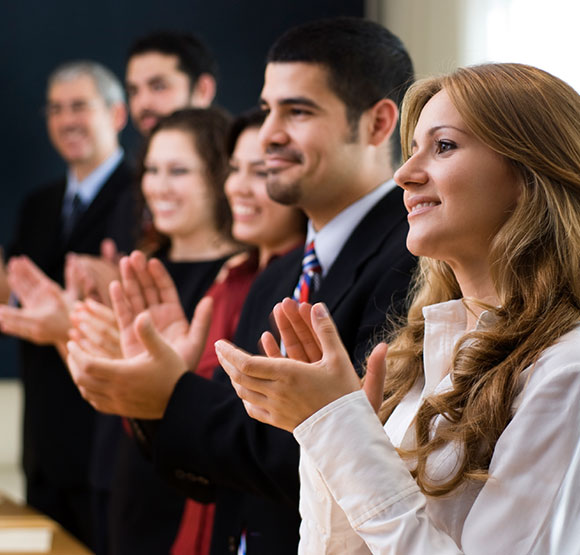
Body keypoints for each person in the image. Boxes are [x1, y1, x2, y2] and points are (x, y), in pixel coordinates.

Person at [67, 17, 416, 554]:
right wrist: (158, 392)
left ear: (377, 124)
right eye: (268, 107)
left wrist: (172, 394)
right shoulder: (278, 274)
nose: (269, 132)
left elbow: (333, 456)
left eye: (297, 111)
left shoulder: (415, 261)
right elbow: (227, 471)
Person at [219, 63, 580, 553]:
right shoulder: (419, 354)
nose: (404, 175)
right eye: (412, 150)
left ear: (528, 173)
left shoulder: (568, 370)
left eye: (444, 146)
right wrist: (327, 432)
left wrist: (339, 429)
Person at [0, 60, 132, 547]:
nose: (66, 120)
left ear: (117, 114)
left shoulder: (143, 196)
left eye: (80, 106)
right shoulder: (38, 204)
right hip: (43, 436)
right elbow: (13, 296)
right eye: (56, 109)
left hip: (108, 438)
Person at [125, 31, 217, 135]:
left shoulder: (236, 150)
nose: (143, 103)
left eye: (159, 87)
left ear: (202, 90)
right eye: (133, 91)